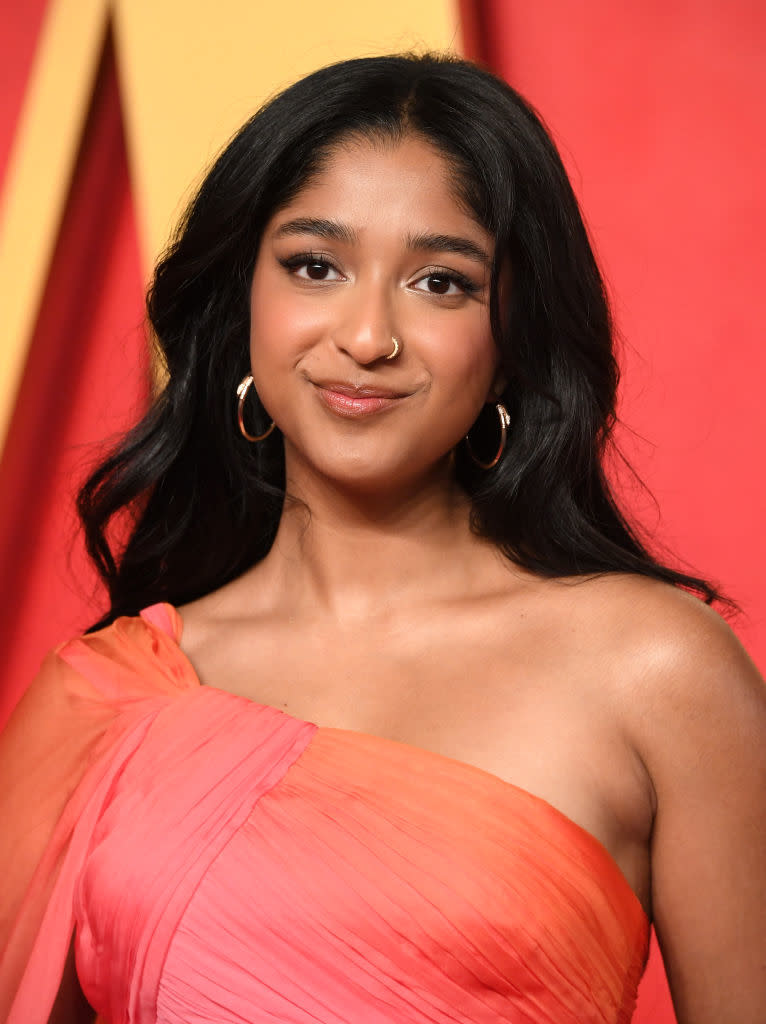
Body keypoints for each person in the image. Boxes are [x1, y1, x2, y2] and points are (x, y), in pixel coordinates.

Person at [1, 51, 764, 1024]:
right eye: (314, 266)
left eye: (439, 282)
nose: (367, 335)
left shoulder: (656, 670)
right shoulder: (113, 696)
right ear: (242, 306)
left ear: (511, 332)